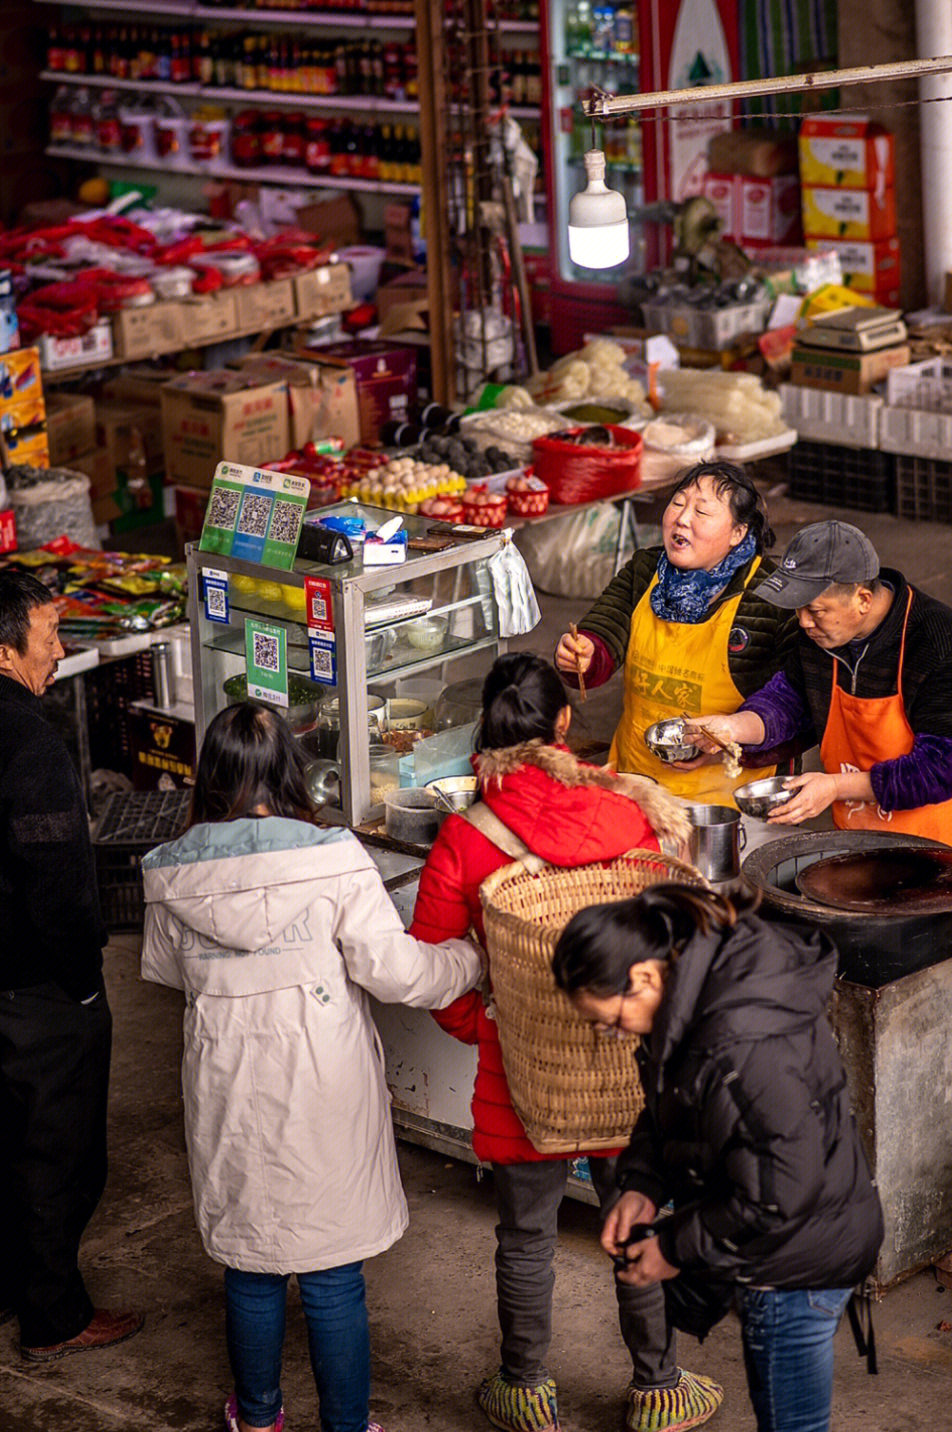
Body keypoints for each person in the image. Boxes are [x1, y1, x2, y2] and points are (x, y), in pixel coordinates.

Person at [140, 702, 482, 1432]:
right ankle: (347, 1425)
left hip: (227, 1075)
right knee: (332, 1275)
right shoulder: (333, 859)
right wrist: (469, 959)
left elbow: (169, 970)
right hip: (321, 1074)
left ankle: (258, 1417)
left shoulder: (173, 873)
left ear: (213, 778)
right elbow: (397, 975)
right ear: (291, 773)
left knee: (252, 1263)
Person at [409, 652, 722, 1432]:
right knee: (638, 1216)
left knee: (526, 1234)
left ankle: (526, 1390)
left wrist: (487, 1028)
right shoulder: (630, 813)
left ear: (487, 731)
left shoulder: (465, 834)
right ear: (561, 724)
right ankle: (658, 1387)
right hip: (631, 1062)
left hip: (526, 1070)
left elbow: (434, 961)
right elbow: (675, 932)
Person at [551, 882, 884, 1432]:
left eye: (607, 1020)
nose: (609, 1034)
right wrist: (641, 1186)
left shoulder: (739, 1041)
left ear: (644, 977)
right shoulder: (698, 995)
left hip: (794, 1266)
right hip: (801, 1239)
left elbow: (780, 1193)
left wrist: (673, 1248)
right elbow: (678, 1107)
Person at [681, 520, 952, 944]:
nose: (804, 622)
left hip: (943, 855)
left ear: (863, 599)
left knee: (944, 969)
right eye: (798, 609)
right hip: (860, 852)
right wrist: (730, 729)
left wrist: (833, 787)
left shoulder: (946, 647)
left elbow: (937, 771)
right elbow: (787, 702)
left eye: (816, 610)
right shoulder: (819, 639)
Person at [0, 568, 144, 1362]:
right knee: (57, 1151)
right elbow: (55, 877)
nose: (60, 650)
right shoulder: (31, 742)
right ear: (6, 646)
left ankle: (10, 1287)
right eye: (49, 634)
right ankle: (53, 1316)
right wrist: (84, 981)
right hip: (34, 987)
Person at [553, 460, 797, 806]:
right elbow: (603, 634)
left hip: (729, 804)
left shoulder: (771, 595)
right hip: (637, 786)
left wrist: (729, 744)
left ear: (738, 532)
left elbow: (799, 702)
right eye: (678, 503)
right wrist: (583, 654)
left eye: (702, 511)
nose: (682, 519)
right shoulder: (645, 569)